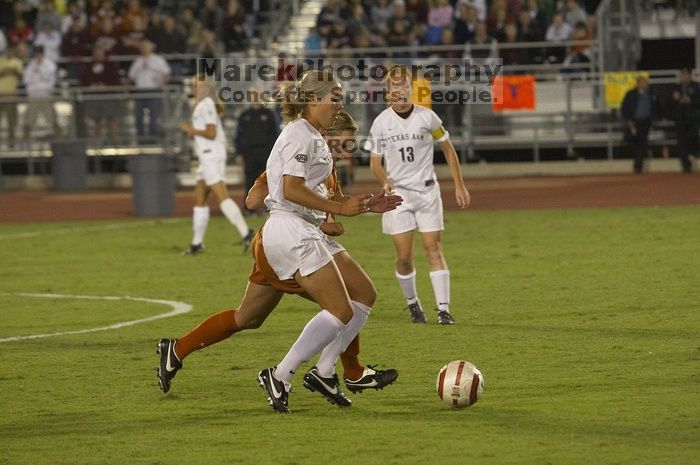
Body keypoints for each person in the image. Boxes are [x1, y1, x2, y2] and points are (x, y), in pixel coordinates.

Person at [157, 111, 402, 407]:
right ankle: (334, 371)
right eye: (341, 144)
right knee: (345, 302)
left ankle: (177, 349)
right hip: (283, 239)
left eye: (349, 147)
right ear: (324, 136)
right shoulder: (298, 155)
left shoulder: (328, 171)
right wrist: (279, 192)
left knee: (248, 317)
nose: (344, 152)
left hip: (297, 238)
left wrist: (345, 213)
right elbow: (255, 198)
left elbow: (327, 210)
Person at [256, 70, 398, 413]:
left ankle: (323, 370)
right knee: (339, 310)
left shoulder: (313, 135)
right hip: (290, 229)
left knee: (364, 293)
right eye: (333, 97)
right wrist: (338, 208)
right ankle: (281, 374)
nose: (339, 104)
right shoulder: (299, 135)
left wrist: (363, 204)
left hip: (305, 227)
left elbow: (318, 192)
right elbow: (290, 189)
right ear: (310, 99)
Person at [366, 65, 471, 325]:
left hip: (427, 192)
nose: (399, 92)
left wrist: (459, 184)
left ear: (411, 90)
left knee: (433, 247)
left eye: (404, 87)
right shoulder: (381, 123)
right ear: (388, 92)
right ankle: (413, 305)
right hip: (398, 197)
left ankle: (444, 310)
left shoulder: (428, 118)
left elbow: (448, 149)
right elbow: (375, 163)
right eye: (394, 88)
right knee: (404, 257)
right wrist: (385, 181)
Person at [180, 76, 254, 255]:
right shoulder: (203, 105)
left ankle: (247, 233)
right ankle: (197, 243)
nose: (196, 88)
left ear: (207, 88)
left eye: (200, 86)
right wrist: (195, 133)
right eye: (194, 85)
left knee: (222, 196)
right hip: (207, 157)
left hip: (210, 157)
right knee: (200, 199)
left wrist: (191, 130)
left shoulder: (206, 105)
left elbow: (211, 133)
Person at [234, 86, 280, 215]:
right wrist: (239, 153)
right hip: (249, 153)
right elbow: (239, 135)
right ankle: (250, 209)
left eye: (257, 94)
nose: (254, 97)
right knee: (249, 180)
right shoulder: (244, 115)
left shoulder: (269, 114)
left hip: (266, 152)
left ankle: (268, 207)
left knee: (267, 181)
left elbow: (276, 134)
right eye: (252, 94)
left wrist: (275, 154)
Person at [127, 41, 170, 142]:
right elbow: (130, 76)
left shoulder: (158, 60)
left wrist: (162, 83)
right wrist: (128, 88)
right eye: (143, 46)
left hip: (153, 90)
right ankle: (140, 138)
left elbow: (167, 74)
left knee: (154, 116)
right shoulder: (138, 61)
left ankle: (153, 138)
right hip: (140, 91)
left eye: (146, 46)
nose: (144, 48)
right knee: (138, 116)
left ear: (151, 48)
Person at [621, 76, 660, 174]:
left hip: (645, 122)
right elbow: (624, 108)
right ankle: (637, 165)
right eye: (643, 82)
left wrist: (655, 119)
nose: (646, 84)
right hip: (634, 122)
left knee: (642, 144)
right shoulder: (631, 94)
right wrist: (629, 120)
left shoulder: (651, 94)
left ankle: (638, 167)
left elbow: (656, 107)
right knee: (634, 144)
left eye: (646, 82)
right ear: (638, 84)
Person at [22, 45, 59, 142]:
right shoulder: (31, 65)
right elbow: (26, 80)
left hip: (46, 96)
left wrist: (40, 71)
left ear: (43, 53)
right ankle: (25, 143)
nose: (38, 55)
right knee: (28, 121)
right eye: (36, 53)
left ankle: (60, 142)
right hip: (33, 96)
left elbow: (50, 82)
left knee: (53, 120)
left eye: (40, 53)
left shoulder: (50, 65)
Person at [668, 68, 700, 173]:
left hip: (693, 118)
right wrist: (676, 100)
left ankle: (694, 153)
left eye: (686, 75)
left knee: (694, 137)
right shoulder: (675, 88)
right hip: (680, 119)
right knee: (682, 142)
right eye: (683, 75)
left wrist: (690, 100)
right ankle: (686, 165)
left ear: (690, 76)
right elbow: (669, 104)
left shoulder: (696, 86)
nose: (684, 77)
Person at [0, 43, 23, 148]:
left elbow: (21, 76)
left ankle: (12, 143)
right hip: (0, 94)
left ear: (13, 51)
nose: (9, 52)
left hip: (12, 95)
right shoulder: (1, 60)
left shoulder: (18, 62)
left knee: (11, 120)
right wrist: (4, 71)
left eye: (11, 51)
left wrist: (14, 71)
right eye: (8, 50)